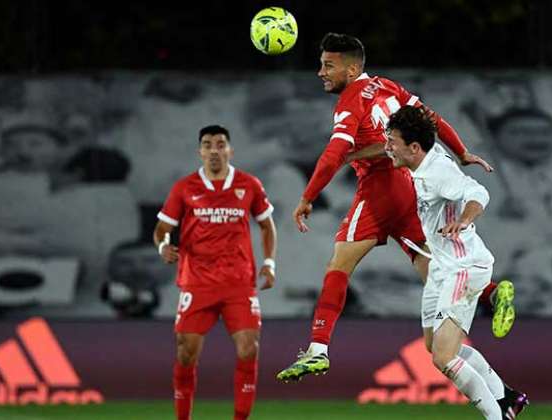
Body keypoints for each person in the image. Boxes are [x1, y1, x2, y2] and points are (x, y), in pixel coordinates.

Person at [277, 33, 510, 382]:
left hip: (379, 189)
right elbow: (430, 118)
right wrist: (461, 152)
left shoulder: (349, 103)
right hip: (409, 187)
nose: (320, 72)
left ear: (352, 68)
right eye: (321, 64)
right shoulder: (386, 85)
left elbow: (334, 153)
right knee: (434, 270)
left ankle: (317, 350)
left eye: (328, 65)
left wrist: (308, 196)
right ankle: (491, 294)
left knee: (339, 264)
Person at [382, 105, 528, 419]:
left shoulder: (438, 172)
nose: (387, 147)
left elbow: (478, 192)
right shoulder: (419, 166)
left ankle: (498, 415)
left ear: (414, 147)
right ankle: (507, 397)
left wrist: (463, 219)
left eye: (392, 141)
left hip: (463, 266)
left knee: (444, 358)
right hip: (441, 267)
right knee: (434, 345)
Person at [153, 125, 277, 420]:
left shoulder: (249, 185)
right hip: (197, 283)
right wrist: (163, 247)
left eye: (220, 144)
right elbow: (161, 230)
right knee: (186, 352)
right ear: (200, 151)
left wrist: (269, 263)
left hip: (238, 283)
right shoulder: (184, 188)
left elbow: (266, 225)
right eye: (208, 144)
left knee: (249, 348)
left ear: (230, 150)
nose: (214, 150)